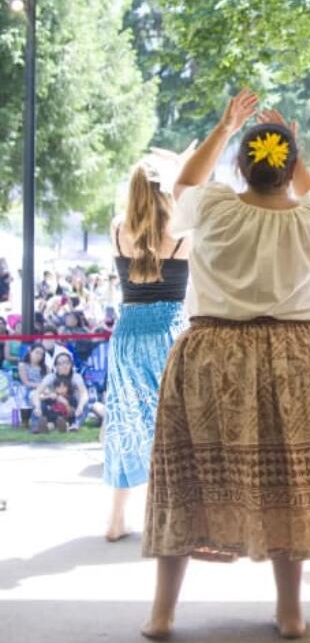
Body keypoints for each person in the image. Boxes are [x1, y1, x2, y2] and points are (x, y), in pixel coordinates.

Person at [142, 92, 310, 640]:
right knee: (288, 481)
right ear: (289, 168)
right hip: (296, 354)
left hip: (214, 351)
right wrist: (297, 153)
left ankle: (162, 614)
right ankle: (291, 612)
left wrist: (224, 126)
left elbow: (181, 187)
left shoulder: (214, 207)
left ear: (240, 165)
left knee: (187, 480)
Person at [102, 148, 193, 542]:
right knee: (172, 425)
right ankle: (169, 517)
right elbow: (189, 194)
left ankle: (116, 519)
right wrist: (180, 166)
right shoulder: (181, 235)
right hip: (167, 334)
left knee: (125, 423)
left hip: (126, 334)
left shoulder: (117, 228)